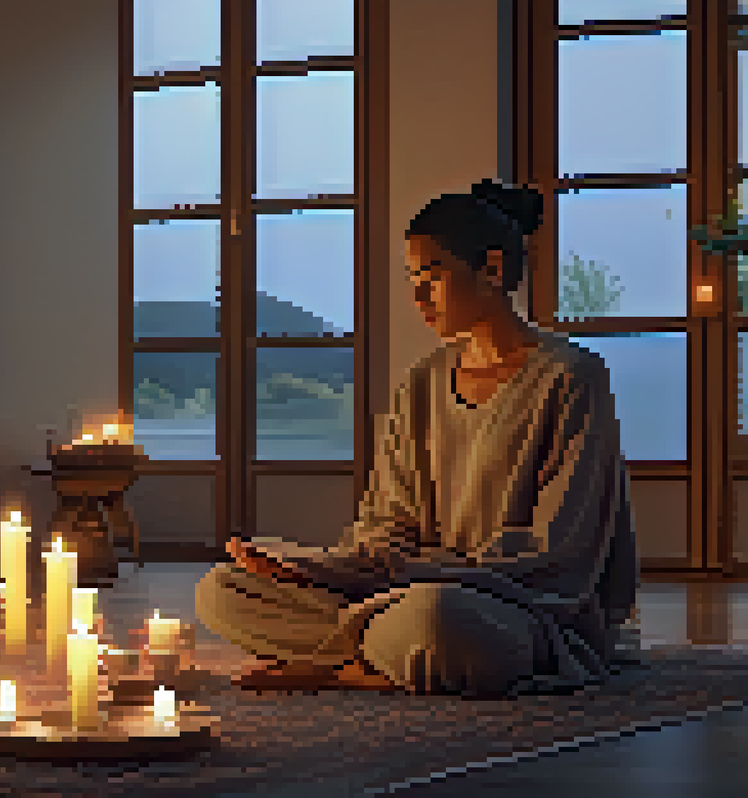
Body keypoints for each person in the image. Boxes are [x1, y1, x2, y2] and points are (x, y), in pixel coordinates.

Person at [194, 179, 639, 697]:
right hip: (400, 594)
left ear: (492, 270)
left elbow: (558, 556)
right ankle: (377, 656)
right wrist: (318, 570)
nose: (418, 297)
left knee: (438, 622)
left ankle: (340, 666)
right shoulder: (421, 383)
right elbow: (387, 526)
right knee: (220, 590)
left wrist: (413, 576)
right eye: (412, 279)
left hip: (516, 608)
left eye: (432, 276)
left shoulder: (572, 377)